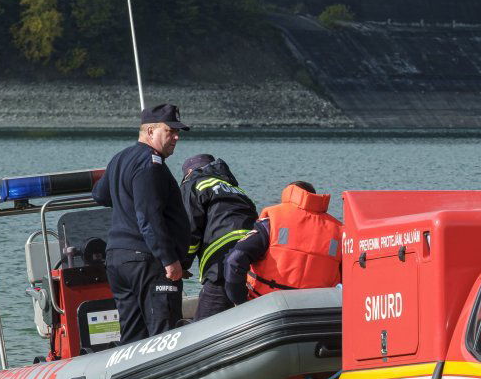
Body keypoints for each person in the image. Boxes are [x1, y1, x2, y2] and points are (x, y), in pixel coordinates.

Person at [91, 103, 192, 344]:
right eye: (170, 131)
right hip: (146, 261)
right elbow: (149, 217)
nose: (176, 137)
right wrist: (169, 260)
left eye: (178, 132)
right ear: (150, 132)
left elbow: (100, 194)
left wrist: (123, 195)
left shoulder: (120, 158)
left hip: (118, 260)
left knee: (133, 337)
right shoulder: (151, 164)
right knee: (164, 335)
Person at [224, 181, 342, 305]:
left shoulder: (273, 222)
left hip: (265, 307)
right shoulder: (339, 231)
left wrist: (240, 302)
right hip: (316, 313)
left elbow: (235, 259)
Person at [179, 153, 257, 320]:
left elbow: (190, 229)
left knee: (203, 325)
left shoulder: (194, 184)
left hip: (221, 262)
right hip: (251, 260)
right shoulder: (237, 190)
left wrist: (182, 264)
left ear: (190, 172)